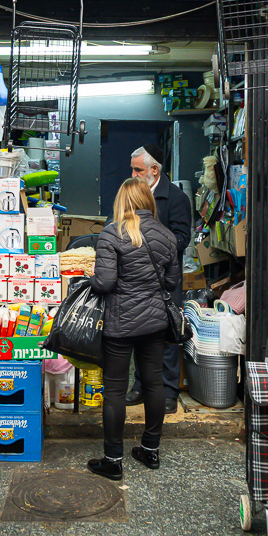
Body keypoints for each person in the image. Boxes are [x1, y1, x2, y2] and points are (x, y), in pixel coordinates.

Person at [86, 178, 181, 480]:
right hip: (154, 323)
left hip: (119, 323)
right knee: (154, 383)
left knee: (114, 389)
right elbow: (172, 283)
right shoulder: (167, 236)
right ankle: (150, 450)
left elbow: (104, 283)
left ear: (122, 202)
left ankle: (113, 460)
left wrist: (91, 276)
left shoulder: (111, 234)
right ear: (148, 202)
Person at [126, 144, 193, 414]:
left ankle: (168, 392)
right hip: (136, 278)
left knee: (166, 336)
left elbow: (183, 238)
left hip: (166, 278)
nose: (133, 174)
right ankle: (140, 386)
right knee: (138, 334)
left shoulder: (176, 198)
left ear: (154, 170)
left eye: (138, 170)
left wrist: (152, 245)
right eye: (132, 169)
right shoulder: (131, 195)